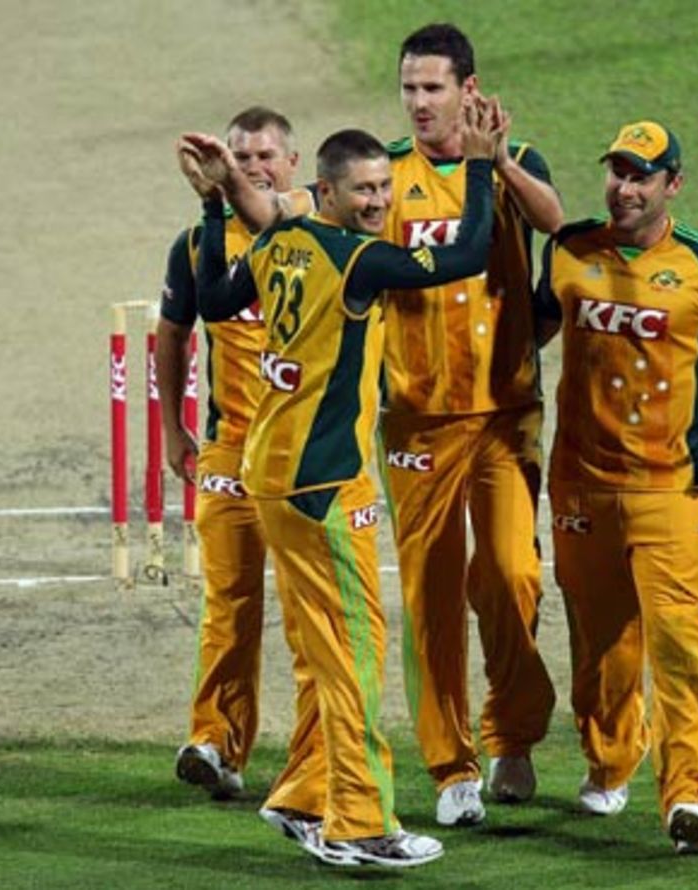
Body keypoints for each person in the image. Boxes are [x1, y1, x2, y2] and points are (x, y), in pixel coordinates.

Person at [178, 102, 500, 867]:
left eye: (385, 189)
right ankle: (358, 825)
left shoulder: (283, 239)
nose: (380, 203)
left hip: (270, 476)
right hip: (325, 488)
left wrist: (213, 200)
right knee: (355, 656)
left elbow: (216, 300)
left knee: (329, 649)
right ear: (323, 191)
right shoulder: (359, 260)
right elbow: (471, 253)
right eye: (363, 191)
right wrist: (482, 165)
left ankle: (299, 795)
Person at [534, 120, 698, 855]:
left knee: (682, 648)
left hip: (670, 491)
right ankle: (611, 761)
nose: (624, 188)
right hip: (579, 485)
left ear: (673, 184)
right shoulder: (571, 250)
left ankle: (693, 796)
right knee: (601, 648)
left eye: (641, 176)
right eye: (616, 172)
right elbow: (524, 337)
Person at [379, 22, 561, 827]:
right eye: (410, 88)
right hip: (415, 424)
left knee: (513, 577)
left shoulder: (518, 166)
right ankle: (451, 767)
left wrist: (495, 165)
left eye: (433, 88)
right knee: (431, 599)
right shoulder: (382, 176)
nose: (419, 103)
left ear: (469, 90)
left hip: (505, 417)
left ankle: (511, 737)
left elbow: (556, 226)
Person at [154, 106, 314, 799]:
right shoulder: (196, 245)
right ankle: (216, 742)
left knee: (312, 618)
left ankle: (320, 758)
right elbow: (173, 333)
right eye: (241, 157)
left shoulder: (318, 232)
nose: (252, 167)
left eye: (264, 157)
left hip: (309, 460)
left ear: (292, 166)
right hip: (230, 451)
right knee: (228, 602)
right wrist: (172, 428)